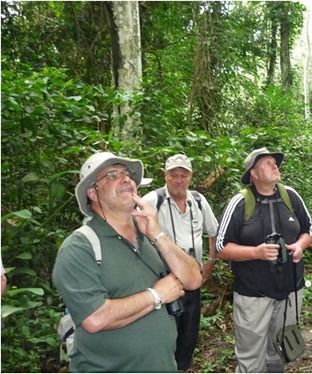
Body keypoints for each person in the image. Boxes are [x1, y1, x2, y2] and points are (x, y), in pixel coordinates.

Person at [52, 152, 202, 373]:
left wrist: (158, 235)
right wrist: (156, 295)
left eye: (127, 174)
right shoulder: (79, 247)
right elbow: (94, 318)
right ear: (92, 193)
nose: (125, 179)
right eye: (112, 175)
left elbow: (193, 279)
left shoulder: (148, 234)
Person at [216, 147, 312, 373]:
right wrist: (256, 252)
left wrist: (300, 245)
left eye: (275, 162)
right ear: (254, 173)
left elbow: (309, 229)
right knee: (251, 353)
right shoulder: (240, 203)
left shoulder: (290, 196)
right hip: (253, 293)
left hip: (291, 289)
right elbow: (221, 247)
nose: (275, 165)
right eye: (267, 163)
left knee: (280, 346)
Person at [143, 154, 219, 371]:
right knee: (164, 335)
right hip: (163, 281)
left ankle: (182, 367)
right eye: (173, 175)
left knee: (189, 335)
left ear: (190, 177)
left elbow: (213, 232)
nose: (179, 180)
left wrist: (210, 261)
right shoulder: (152, 201)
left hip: (192, 281)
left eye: (183, 175)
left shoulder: (198, 201)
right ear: (165, 176)